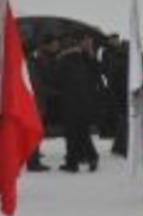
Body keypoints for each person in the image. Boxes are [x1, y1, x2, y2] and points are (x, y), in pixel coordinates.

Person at [56, 32, 100, 172]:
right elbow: (95, 74)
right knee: (82, 133)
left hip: (70, 103)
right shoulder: (82, 60)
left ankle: (72, 163)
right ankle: (91, 156)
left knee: (71, 134)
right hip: (85, 102)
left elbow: (56, 80)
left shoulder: (64, 62)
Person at [27, 34, 61, 171]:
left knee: (36, 130)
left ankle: (34, 156)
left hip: (39, 100)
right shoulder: (34, 61)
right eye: (55, 44)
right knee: (35, 130)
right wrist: (55, 92)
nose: (57, 47)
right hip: (35, 101)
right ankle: (33, 162)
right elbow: (37, 84)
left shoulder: (39, 60)